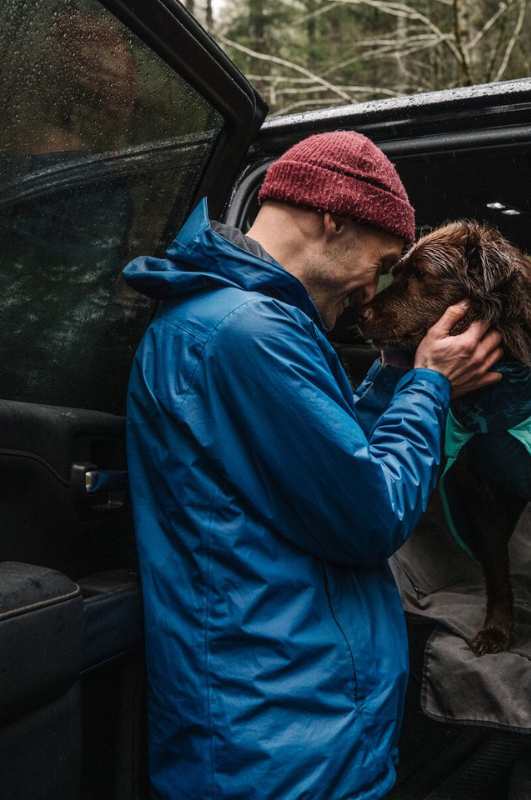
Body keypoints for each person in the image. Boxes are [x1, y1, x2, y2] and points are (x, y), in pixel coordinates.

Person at [122, 131, 503, 799]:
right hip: (276, 739)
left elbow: (327, 465)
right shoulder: (244, 334)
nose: (372, 292)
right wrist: (429, 387)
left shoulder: (254, 325)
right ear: (331, 218)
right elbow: (368, 515)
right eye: (382, 261)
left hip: (296, 723)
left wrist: (394, 374)